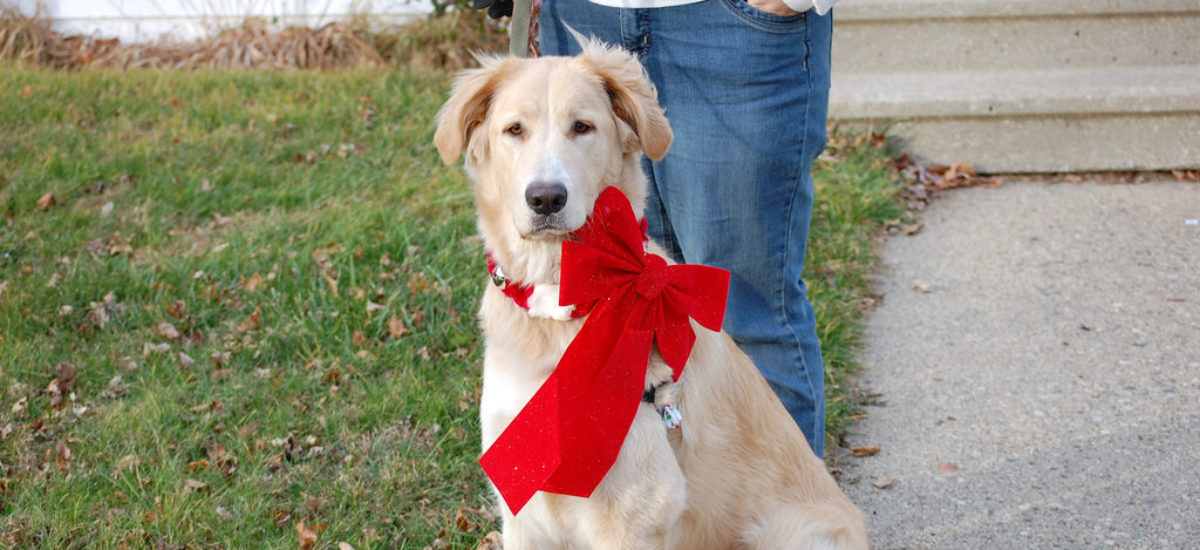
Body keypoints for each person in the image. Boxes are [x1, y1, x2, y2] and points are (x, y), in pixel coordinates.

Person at [480, 0, 836, 458]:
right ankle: (658, 517)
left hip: (732, 25)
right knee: (616, 307)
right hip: (579, 12)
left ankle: (797, 514)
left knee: (745, 312)